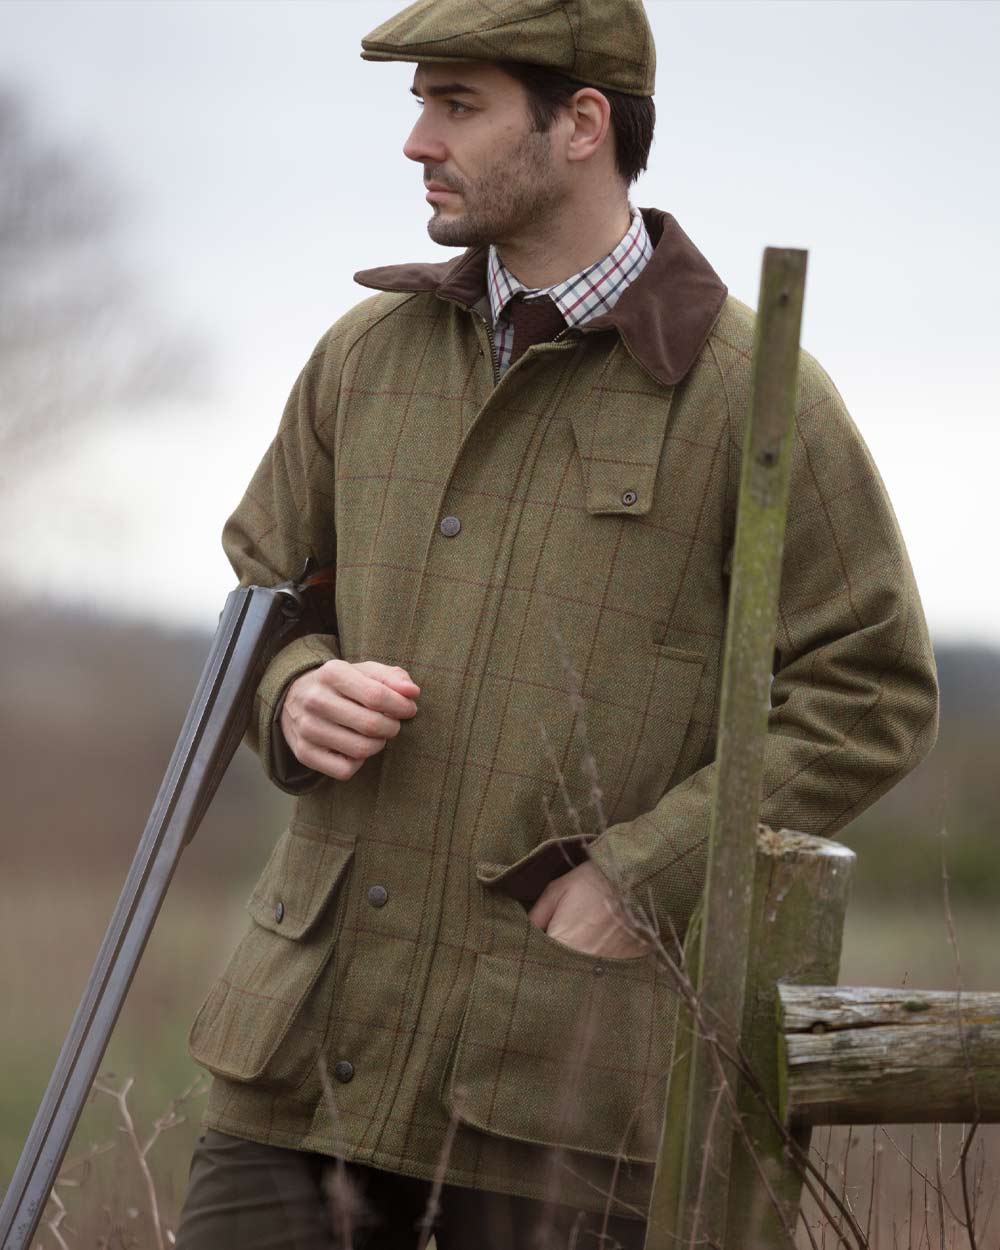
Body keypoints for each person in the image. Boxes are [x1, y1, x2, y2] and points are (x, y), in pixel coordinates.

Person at [176, 1, 939, 1246]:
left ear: (582, 123)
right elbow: (259, 596)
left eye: (457, 104)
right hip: (298, 1058)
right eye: (418, 103)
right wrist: (290, 690)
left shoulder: (756, 398)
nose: (419, 140)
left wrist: (640, 875)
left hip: (560, 1098)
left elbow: (871, 689)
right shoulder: (362, 358)